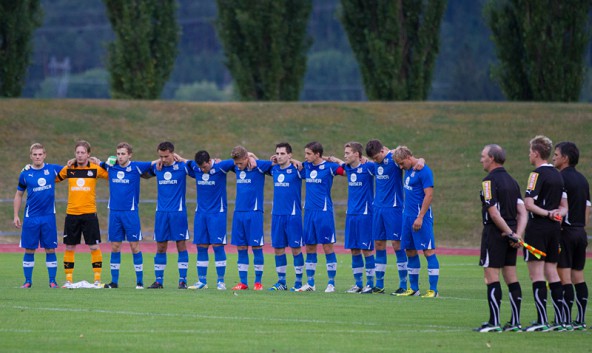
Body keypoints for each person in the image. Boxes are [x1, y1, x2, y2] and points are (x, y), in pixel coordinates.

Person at [474, 144, 527, 332]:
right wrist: (517, 234)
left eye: (483, 156)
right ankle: (515, 322)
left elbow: (494, 214)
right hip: (511, 233)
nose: (481, 160)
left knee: (491, 277)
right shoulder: (513, 181)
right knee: (511, 276)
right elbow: (522, 212)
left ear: (492, 159)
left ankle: (494, 323)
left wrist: (511, 233)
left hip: (495, 234)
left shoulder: (488, 182)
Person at [522, 135, 569, 331]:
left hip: (538, 229)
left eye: (530, 152)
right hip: (554, 231)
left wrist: (548, 213)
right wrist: (557, 214)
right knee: (552, 273)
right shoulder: (558, 175)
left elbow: (528, 204)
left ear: (536, 153)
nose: (529, 155)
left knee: (537, 274)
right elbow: (564, 206)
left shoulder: (536, 175)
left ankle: (542, 320)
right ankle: (560, 320)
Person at [365, 140, 422, 294]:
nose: (376, 161)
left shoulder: (395, 160)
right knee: (378, 244)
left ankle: (403, 284)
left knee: (397, 245)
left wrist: (422, 160)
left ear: (383, 150)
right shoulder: (374, 163)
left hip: (394, 208)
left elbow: (413, 160)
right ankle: (379, 284)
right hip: (378, 208)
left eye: (377, 157)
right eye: (374, 159)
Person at [99, 142, 154, 289]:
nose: (120, 156)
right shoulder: (111, 166)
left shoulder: (137, 166)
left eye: (123, 153)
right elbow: (93, 161)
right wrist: (73, 161)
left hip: (130, 213)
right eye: (118, 153)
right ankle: (114, 282)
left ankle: (140, 282)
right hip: (114, 213)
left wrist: (174, 158)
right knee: (115, 246)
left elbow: (155, 162)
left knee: (134, 246)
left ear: (129, 154)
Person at [58, 140, 109, 288]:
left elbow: (112, 176)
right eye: (77, 153)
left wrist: (101, 163)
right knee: (69, 247)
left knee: (93, 247)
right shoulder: (68, 168)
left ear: (88, 154)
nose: (80, 155)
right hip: (72, 214)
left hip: (89, 214)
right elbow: (53, 179)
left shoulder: (95, 169)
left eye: (82, 153)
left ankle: (97, 279)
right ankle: (68, 280)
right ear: (75, 154)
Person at [328, 142, 376, 294]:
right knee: (354, 250)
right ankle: (358, 284)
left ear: (357, 154)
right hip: (351, 214)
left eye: (348, 152)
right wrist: (334, 159)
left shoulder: (368, 168)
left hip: (365, 214)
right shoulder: (348, 169)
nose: (345, 155)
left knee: (366, 250)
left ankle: (370, 284)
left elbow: (383, 165)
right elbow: (340, 163)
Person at [13, 143, 62, 288]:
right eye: (35, 154)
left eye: (40, 154)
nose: (38, 157)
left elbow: (69, 169)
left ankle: (52, 281)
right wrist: (16, 215)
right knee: (29, 249)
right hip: (31, 217)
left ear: (44, 155)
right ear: (31, 156)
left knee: (50, 249)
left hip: (48, 217)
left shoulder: (52, 169)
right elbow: (18, 194)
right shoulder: (25, 174)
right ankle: (27, 281)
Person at [393, 146, 439, 298]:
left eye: (401, 163)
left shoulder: (424, 171)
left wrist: (420, 217)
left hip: (421, 218)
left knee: (428, 251)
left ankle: (433, 290)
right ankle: (413, 289)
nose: (400, 167)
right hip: (407, 217)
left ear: (408, 157)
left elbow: (429, 196)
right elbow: (387, 150)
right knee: (410, 251)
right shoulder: (408, 168)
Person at [186, 150, 235, 291]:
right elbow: (186, 162)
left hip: (217, 214)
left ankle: (221, 281)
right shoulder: (196, 168)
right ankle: (202, 281)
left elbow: (238, 159)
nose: (202, 170)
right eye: (200, 168)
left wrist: (251, 156)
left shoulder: (221, 167)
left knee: (217, 246)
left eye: (205, 167)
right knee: (201, 246)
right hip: (200, 214)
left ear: (209, 161)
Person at [553, 141, 589, 330]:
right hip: (580, 232)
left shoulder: (559, 179)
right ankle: (580, 320)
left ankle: (565, 320)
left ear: (565, 158)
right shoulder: (583, 179)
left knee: (564, 277)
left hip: (565, 233)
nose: (554, 158)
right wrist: (581, 226)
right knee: (579, 276)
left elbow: (559, 208)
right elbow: (587, 208)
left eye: (556, 155)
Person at [146, 141, 192, 289]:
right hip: (161, 213)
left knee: (181, 245)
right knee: (160, 247)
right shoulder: (157, 167)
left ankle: (183, 280)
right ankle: (158, 281)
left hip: (177, 213)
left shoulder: (182, 167)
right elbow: (141, 172)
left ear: (173, 153)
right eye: (161, 156)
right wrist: (155, 162)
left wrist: (183, 159)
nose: (163, 159)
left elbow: (198, 170)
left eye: (166, 156)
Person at [296, 141, 340, 293]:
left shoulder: (330, 167)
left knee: (327, 246)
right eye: (305, 153)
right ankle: (310, 283)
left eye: (309, 153)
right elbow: (294, 165)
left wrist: (334, 159)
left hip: (324, 212)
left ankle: (331, 284)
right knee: (309, 247)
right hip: (308, 212)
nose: (305, 156)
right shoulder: (306, 166)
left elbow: (348, 171)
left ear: (318, 154)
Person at [230, 146, 273, 290]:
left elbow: (276, 163)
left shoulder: (259, 167)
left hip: (254, 213)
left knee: (256, 246)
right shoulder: (236, 167)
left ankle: (258, 282)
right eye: (236, 164)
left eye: (240, 163)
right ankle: (243, 282)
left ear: (246, 159)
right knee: (241, 247)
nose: (238, 166)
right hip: (239, 213)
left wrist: (255, 158)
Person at [268, 142, 305, 291]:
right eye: (277, 153)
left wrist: (298, 162)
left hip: (293, 215)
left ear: (290, 155)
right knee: (278, 249)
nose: (279, 156)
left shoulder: (297, 169)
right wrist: (251, 155)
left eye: (283, 153)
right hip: (277, 215)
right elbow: (255, 163)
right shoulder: (274, 169)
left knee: (296, 249)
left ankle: (298, 282)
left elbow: (312, 166)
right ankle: (281, 282)